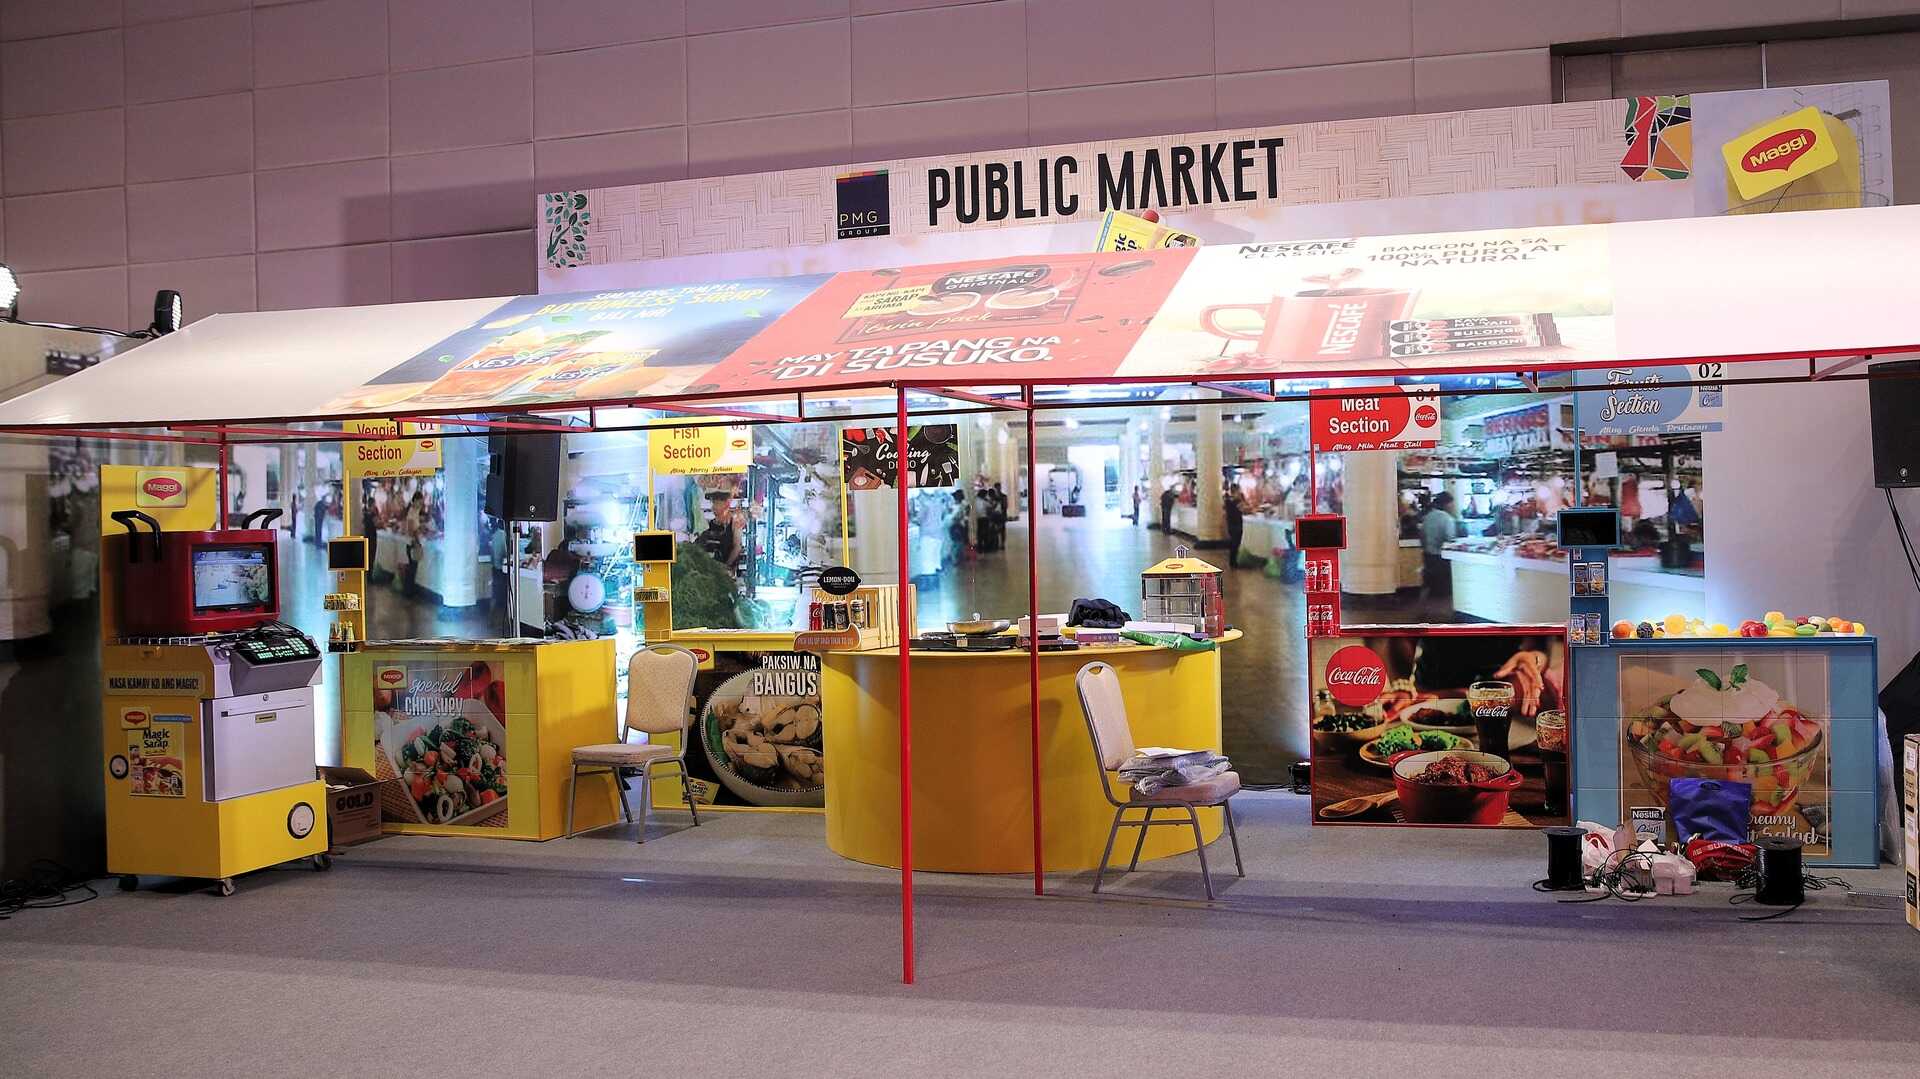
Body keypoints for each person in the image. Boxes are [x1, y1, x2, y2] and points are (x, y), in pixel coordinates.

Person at [1421, 492, 1460, 600]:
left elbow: (1422, 536)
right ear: (1447, 504)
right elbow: (1450, 539)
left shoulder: (1427, 517)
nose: (1453, 506)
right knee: (1444, 591)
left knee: (1433, 588)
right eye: (1452, 503)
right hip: (1442, 558)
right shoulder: (1447, 519)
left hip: (1428, 556)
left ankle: (1428, 612)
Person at [1222, 480, 1247, 569]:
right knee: (1236, 544)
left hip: (1230, 524)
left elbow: (1225, 512)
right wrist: (1243, 499)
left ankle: (1232, 562)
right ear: (1236, 491)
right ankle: (1234, 563)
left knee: (1232, 543)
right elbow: (1244, 509)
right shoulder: (1237, 501)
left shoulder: (1227, 501)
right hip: (1237, 524)